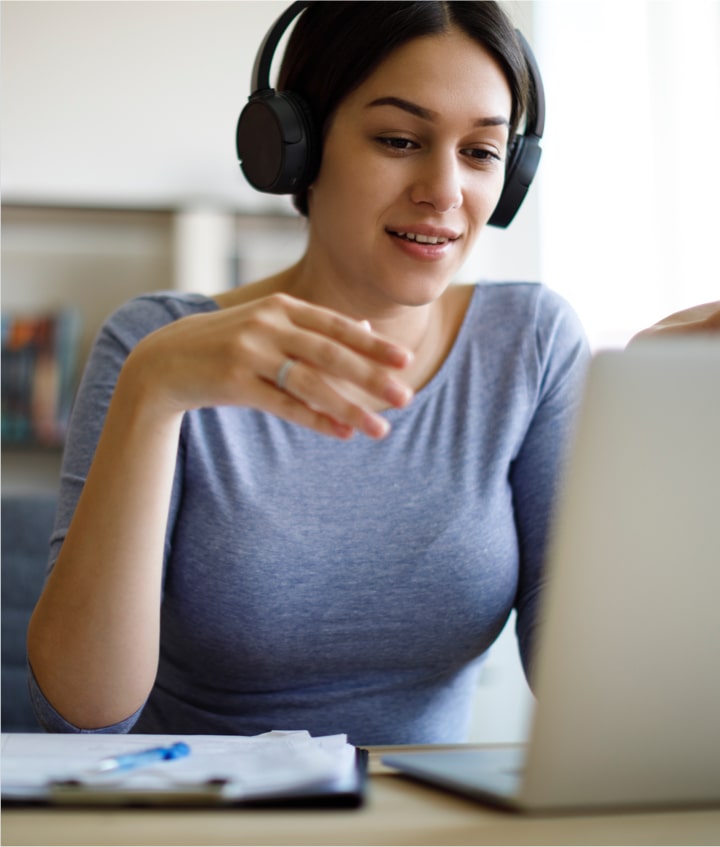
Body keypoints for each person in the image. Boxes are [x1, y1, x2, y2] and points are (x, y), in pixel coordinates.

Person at [27, 1, 593, 745]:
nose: (446, 191)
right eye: (399, 138)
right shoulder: (159, 341)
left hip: (425, 825)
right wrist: (153, 391)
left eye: (482, 153)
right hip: (196, 816)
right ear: (293, 146)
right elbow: (83, 712)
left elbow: (586, 682)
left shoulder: (532, 343)